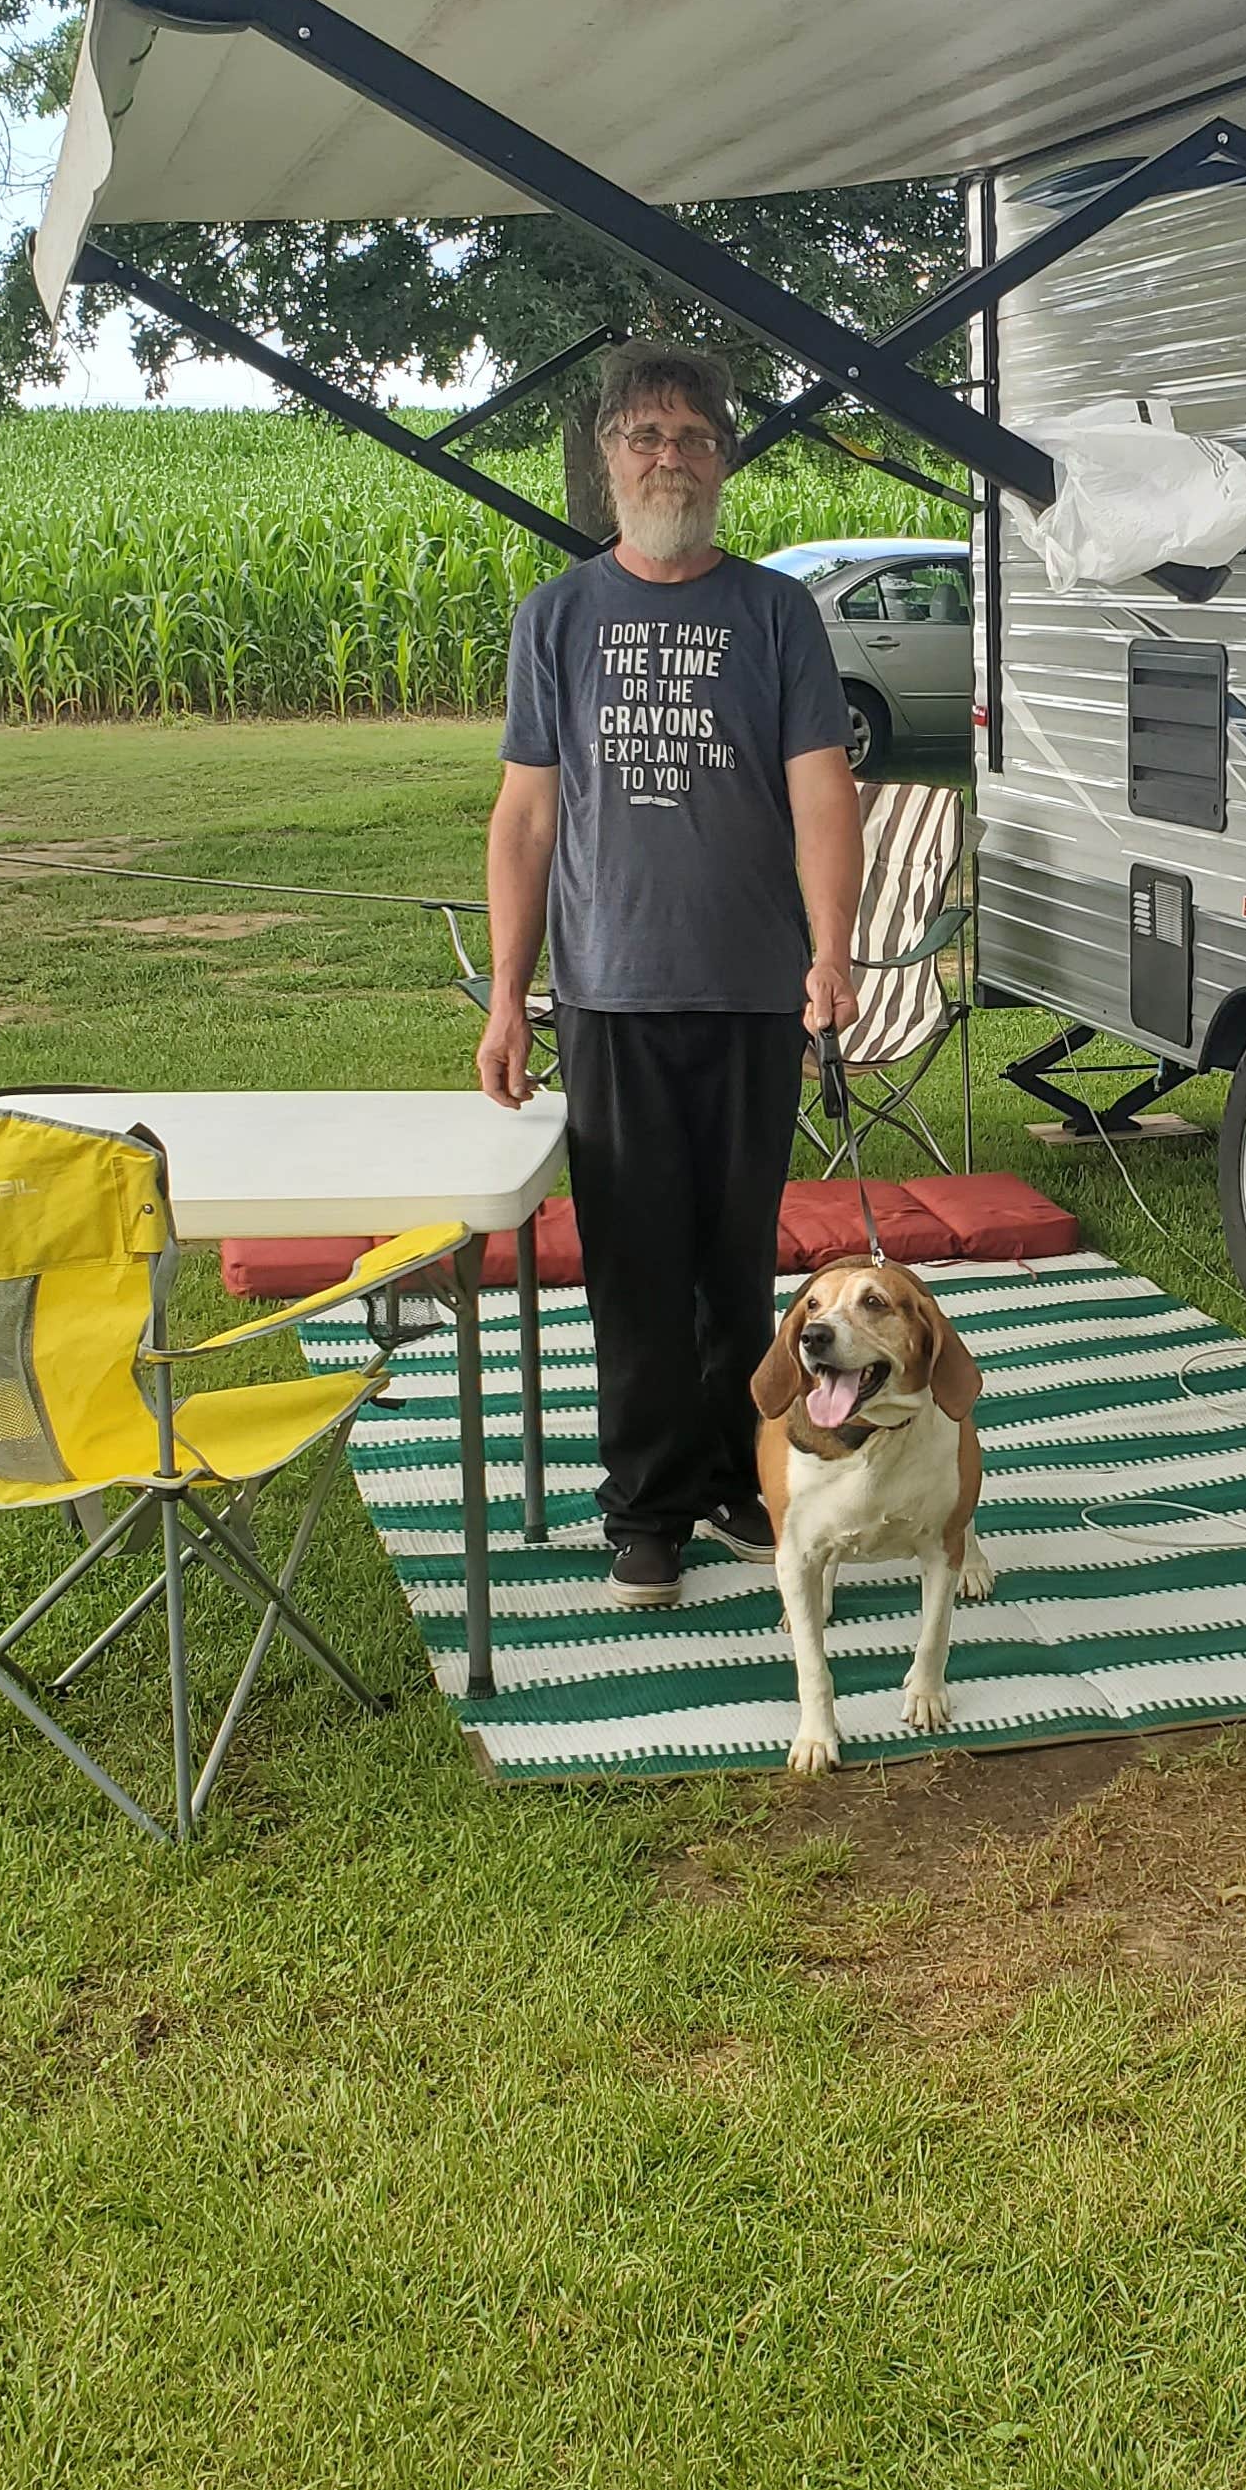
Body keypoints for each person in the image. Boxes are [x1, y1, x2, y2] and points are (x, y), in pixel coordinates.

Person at [475, 343, 862, 1606]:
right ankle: (643, 1508)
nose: (668, 457)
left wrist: (834, 951)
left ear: (723, 457)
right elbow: (526, 822)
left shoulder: (774, 614)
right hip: (610, 993)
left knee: (734, 1260)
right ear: (608, 460)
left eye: (692, 435)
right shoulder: (560, 618)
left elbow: (822, 794)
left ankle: (738, 1476)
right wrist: (505, 998)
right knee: (635, 1262)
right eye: (644, 436)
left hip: (753, 991)